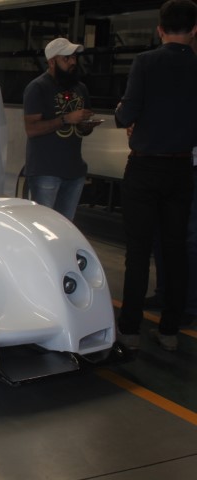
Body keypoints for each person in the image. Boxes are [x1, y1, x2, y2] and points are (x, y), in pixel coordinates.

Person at [114, 0, 197, 351]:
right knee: (175, 251)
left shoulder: (146, 62)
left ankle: (130, 331)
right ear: (194, 30)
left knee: (138, 251)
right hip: (182, 169)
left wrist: (125, 113)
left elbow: (126, 114)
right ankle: (169, 331)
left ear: (160, 29)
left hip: (145, 168)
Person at [23, 37, 100, 221]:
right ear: (52, 62)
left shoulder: (80, 88)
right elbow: (31, 129)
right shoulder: (37, 87)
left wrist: (85, 125)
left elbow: (82, 129)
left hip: (75, 171)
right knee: (46, 225)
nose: (73, 62)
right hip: (46, 171)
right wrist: (66, 119)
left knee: (66, 226)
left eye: (74, 57)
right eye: (66, 58)